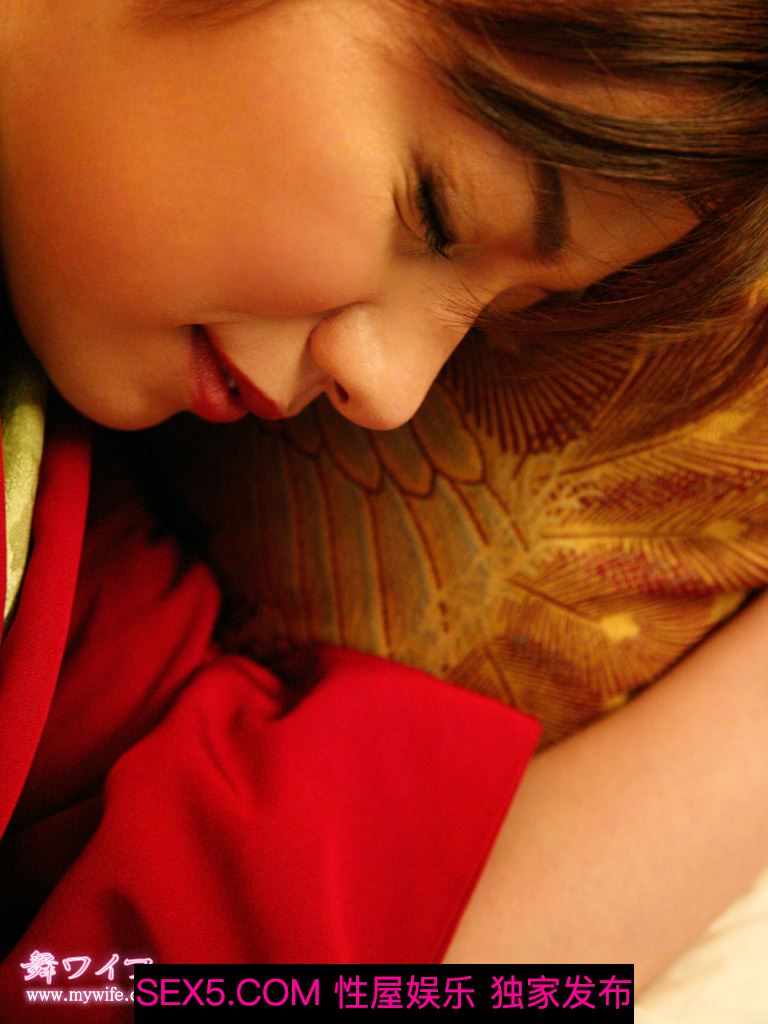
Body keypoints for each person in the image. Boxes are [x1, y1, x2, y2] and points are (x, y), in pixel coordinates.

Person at [0, 0, 766, 1019]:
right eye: (438, 212)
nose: (394, 391)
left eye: (494, 316)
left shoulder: (71, 556)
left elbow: (258, 976)